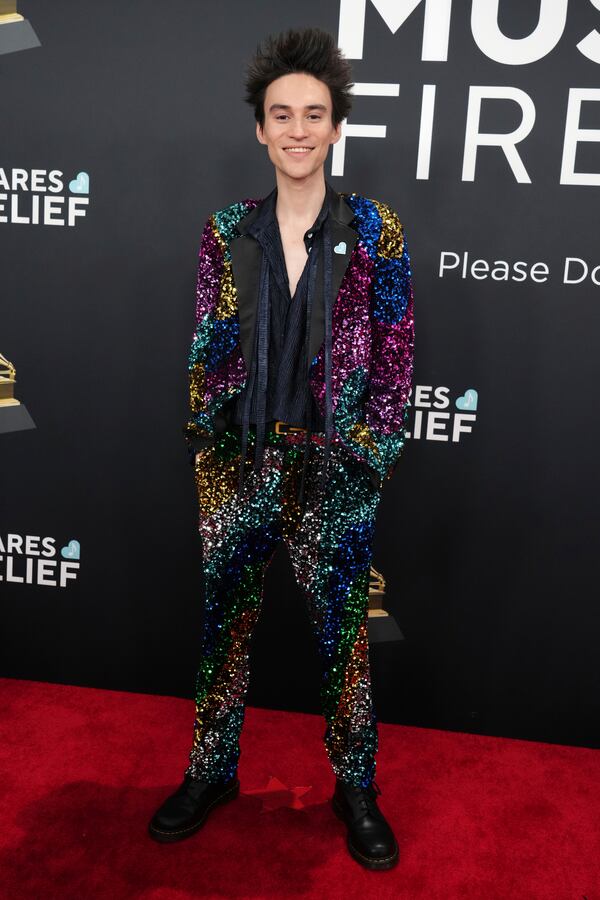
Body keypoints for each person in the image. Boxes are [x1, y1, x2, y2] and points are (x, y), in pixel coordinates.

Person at [148, 26, 414, 871]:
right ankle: (211, 772)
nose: (298, 131)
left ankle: (356, 786)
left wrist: (367, 457)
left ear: (337, 127)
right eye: (280, 116)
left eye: (314, 115)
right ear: (259, 130)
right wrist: (212, 451)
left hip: (334, 472)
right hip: (240, 465)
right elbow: (205, 346)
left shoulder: (376, 231)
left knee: (343, 638)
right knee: (224, 628)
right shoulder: (226, 230)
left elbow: (398, 353)